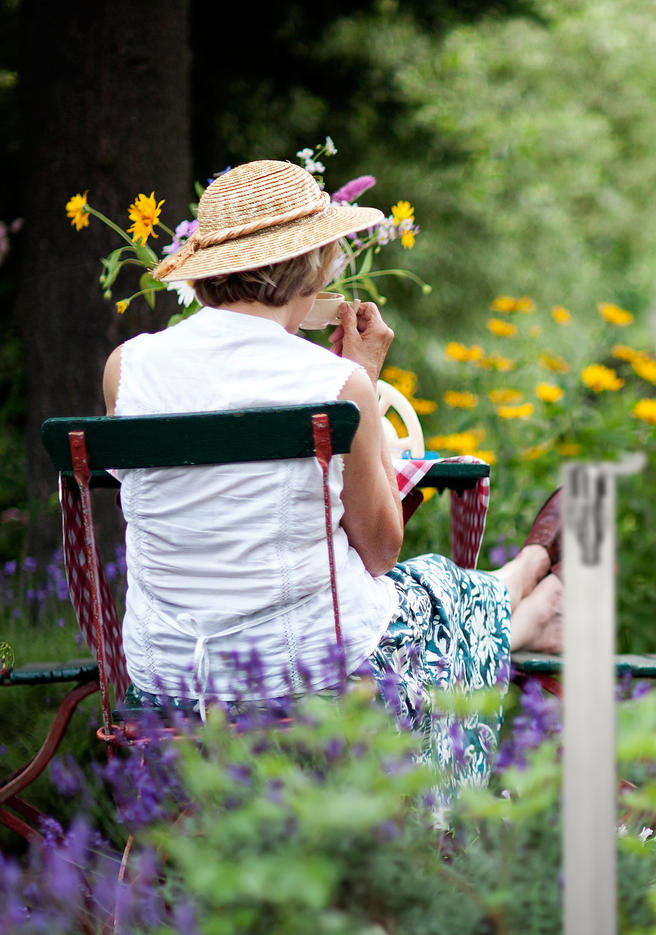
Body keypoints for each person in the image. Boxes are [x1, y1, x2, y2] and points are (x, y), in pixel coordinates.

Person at [101, 159, 562, 802]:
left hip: (170, 675)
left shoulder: (128, 367)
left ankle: (533, 595)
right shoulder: (333, 384)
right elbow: (378, 551)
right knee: (439, 587)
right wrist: (364, 384)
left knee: (430, 598)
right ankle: (531, 585)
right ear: (313, 267)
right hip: (306, 671)